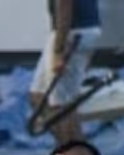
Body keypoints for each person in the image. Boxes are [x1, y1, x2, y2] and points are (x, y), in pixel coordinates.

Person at [32, 0, 103, 143]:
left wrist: (58, 51)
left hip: (72, 33)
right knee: (38, 95)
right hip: (79, 30)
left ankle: (76, 150)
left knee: (62, 107)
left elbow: (64, 3)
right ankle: (66, 145)